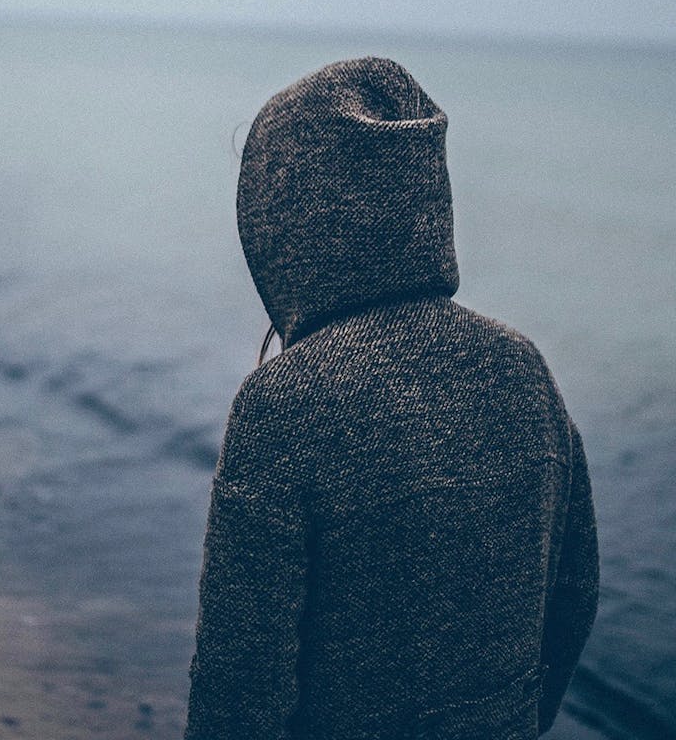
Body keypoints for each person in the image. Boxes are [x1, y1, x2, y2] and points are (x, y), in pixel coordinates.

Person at [183, 56, 599, 740]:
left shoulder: (286, 403)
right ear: (425, 197)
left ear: (284, 221)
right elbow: (574, 598)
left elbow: (240, 684)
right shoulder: (521, 368)